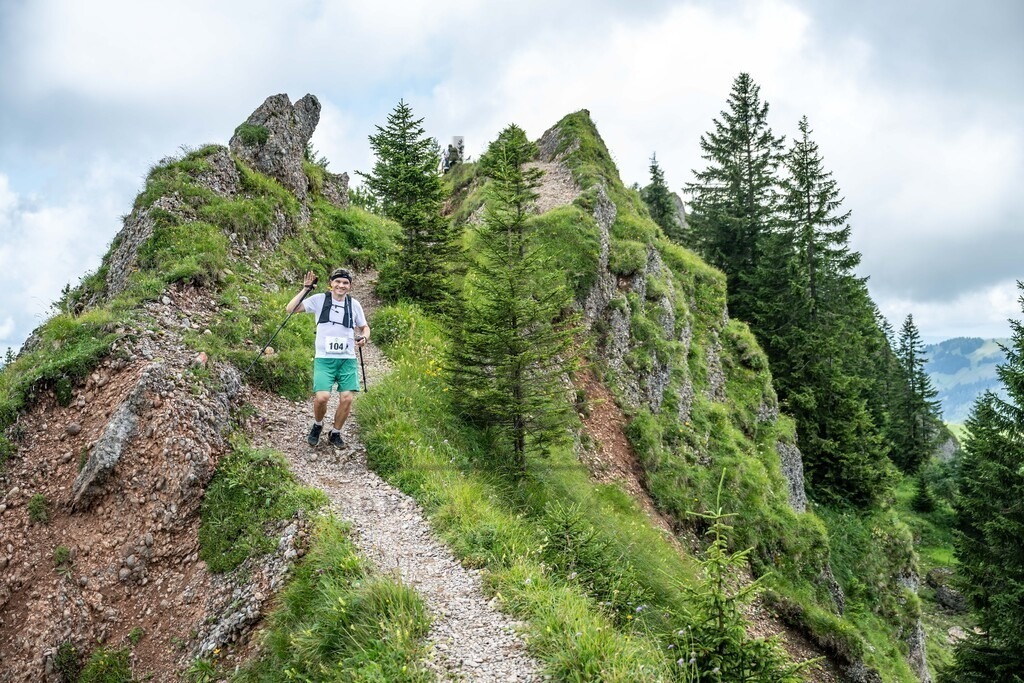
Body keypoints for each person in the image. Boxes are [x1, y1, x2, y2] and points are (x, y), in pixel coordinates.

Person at [285, 268, 370, 448]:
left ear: (350, 286)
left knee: (347, 398)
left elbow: (364, 327)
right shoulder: (319, 300)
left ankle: (335, 433)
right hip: (324, 358)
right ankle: (318, 424)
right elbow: (291, 309)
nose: (341, 285)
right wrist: (306, 289)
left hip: (347, 359)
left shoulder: (354, 304)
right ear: (331, 283)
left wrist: (364, 337)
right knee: (322, 397)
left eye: (345, 283)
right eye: (337, 281)